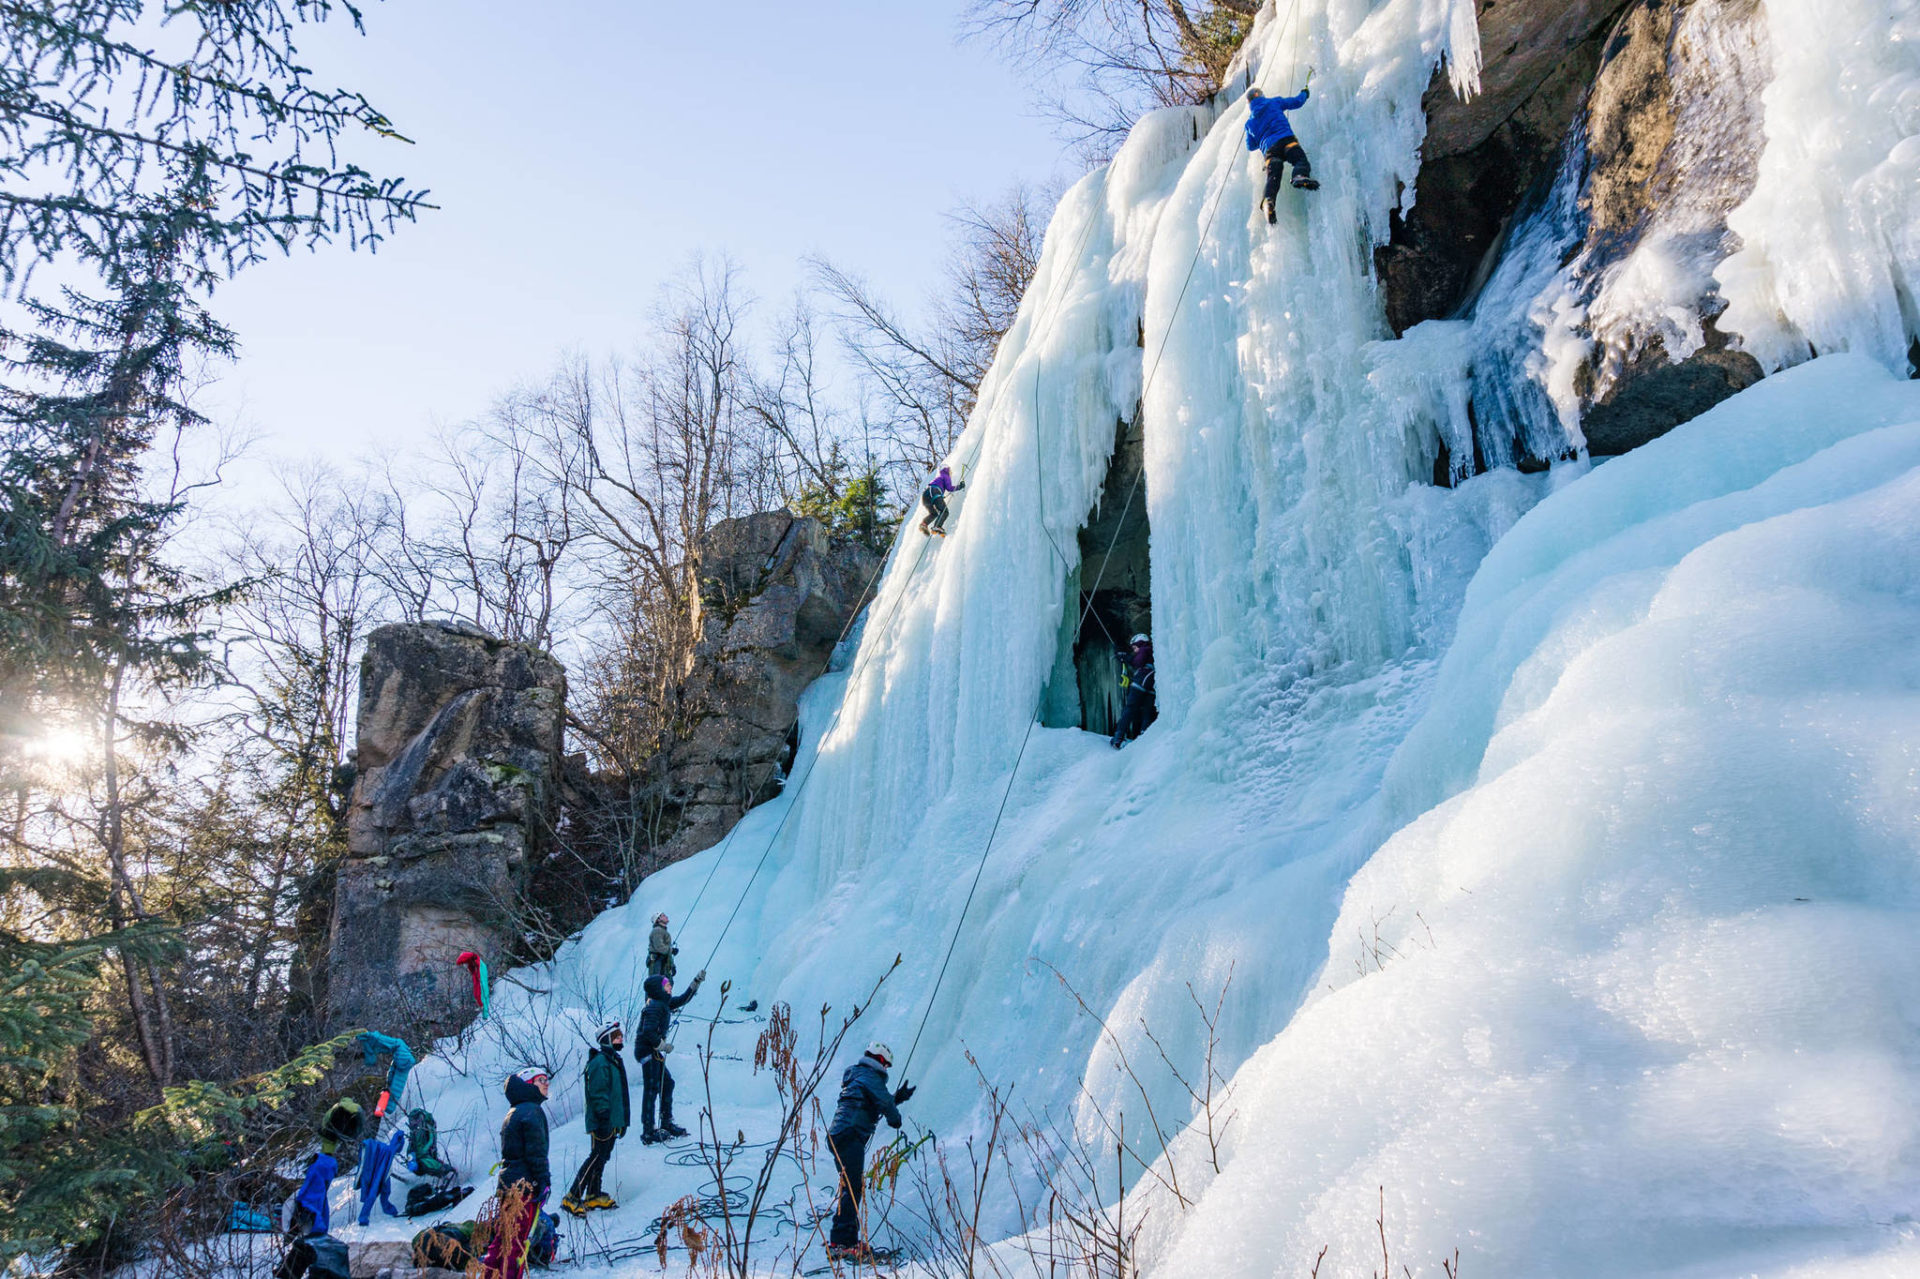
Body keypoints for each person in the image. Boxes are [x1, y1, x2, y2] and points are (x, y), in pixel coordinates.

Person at [824, 1042, 915, 1264]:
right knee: (853, 1188)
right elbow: (883, 1103)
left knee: (850, 1186)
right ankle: (842, 1244)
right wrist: (895, 1118)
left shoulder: (859, 1075)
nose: (887, 1070)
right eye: (887, 1065)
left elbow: (873, 1100)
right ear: (881, 1060)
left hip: (838, 1135)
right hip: (850, 1135)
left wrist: (897, 1098)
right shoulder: (870, 1076)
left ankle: (844, 1241)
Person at [481, 1067, 550, 1279]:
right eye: (541, 1080)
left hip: (508, 1184)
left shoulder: (515, 1111)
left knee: (503, 1239)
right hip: (524, 1187)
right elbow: (536, 1153)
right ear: (529, 1085)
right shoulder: (531, 1111)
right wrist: (544, 1181)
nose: (546, 1084)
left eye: (547, 1080)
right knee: (516, 1242)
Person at [561, 1021, 630, 1216]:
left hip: (612, 1120)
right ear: (606, 1040)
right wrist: (604, 1119)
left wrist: (620, 1120)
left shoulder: (612, 1060)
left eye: (620, 1035)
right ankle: (572, 1196)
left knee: (602, 1156)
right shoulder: (600, 1062)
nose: (620, 1039)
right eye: (616, 1036)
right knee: (596, 1156)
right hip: (603, 1121)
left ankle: (593, 1193)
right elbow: (599, 1093)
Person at [634, 970, 705, 1144]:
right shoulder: (654, 1007)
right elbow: (648, 1031)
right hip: (647, 1050)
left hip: (652, 1051)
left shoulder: (662, 1003)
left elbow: (682, 1000)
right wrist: (662, 1045)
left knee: (667, 1084)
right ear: (658, 989)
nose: (669, 986)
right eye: (666, 984)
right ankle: (648, 1130)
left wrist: (695, 982)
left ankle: (666, 1122)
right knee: (651, 1089)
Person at [1245, 77, 1318, 224]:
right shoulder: (1274, 102)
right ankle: (1299, 175)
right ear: (1261, 95)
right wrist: (1305, 93)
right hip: (1286, 141)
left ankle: (1268, 201)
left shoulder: (1249, 123)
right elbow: (1297, 102)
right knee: (1300, 160)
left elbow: (1250, 146)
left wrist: (1261, 135)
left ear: (1249, 103)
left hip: (1270, 152)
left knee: (1273, 177)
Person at [1110, 633, 1155, 749]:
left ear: (1140, 642)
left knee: (1130, 708)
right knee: (1147, 712)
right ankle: (1145, 736)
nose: (1134, 650)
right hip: (1151, 685)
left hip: (1142, 680)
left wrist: (1125, 657)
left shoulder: (1145, 649)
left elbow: (1137, 662)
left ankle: (1118, 738)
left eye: (1134, 647)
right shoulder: (1152, 652)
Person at [918, 466, 965, 537]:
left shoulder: (939, 478)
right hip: (934, 492)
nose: (951, 473)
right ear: (947, 470)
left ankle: (924, 524)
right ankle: (937, 526)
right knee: (944, 511)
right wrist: (960, 486)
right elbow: (949, 488)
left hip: (926, 496)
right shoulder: (945, 475)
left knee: (934, 514)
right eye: (950, 471)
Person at [647, 913, 676, 980]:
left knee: (665, 985)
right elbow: (659, 947)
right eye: (663, 915)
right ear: (658, 919)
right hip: (657, 964)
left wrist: (672, 965)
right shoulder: (657, 930)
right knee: (658, 983)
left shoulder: (662, 931)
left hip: (663, 964)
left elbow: (665, 951)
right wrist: (672, 950)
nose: (666, 916)